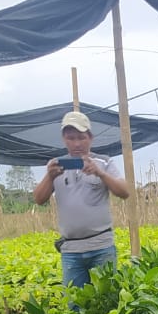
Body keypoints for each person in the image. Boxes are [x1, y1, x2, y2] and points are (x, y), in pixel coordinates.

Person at [32, 111, 130, 289]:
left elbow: (124, 192)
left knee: (106, 300)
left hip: (101, 247)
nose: (76, 143)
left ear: (90, 138)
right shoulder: (55, 165)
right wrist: (49, 176)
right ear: (64, 139)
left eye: (81, 137)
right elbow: (39, 199)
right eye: (71, 138)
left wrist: (100, 174)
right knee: (74, 302)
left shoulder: (104, 162)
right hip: (71, 251)